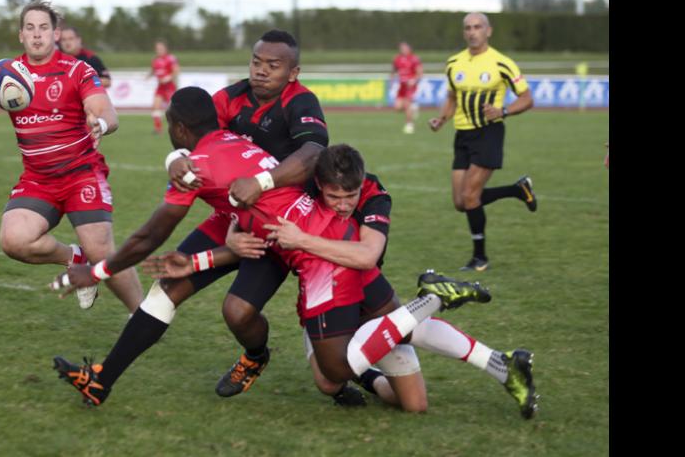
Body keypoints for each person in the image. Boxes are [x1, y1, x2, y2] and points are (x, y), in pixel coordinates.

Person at [48, 87, 493, 411]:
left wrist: (97, 271)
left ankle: (430, 302)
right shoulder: (228, 133)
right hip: (265, 226)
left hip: (307, 247)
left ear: (179, 129)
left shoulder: (210, 159)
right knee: (169, 288)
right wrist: (176, 162)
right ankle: (101, 381)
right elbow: (223, 187)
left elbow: (149, 237)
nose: (261, 72)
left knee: (324, 358)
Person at [227, 145, 538, 418]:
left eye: (351, 195)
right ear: (319, 184)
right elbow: (251, 203)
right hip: (324, 287)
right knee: (329, 380)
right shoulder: (303, 186)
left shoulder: (375, 195)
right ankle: (500, 360)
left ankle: (438, 307)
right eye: (334, 196)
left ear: (362, 183)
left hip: (362, 280)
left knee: (414, 403)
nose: (344, 204)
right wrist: (233, 235)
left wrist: (302, 239)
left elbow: (366, 256)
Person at [163, 29, 331, 397]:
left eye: (274, 65)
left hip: (286, 225)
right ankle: (255, 356)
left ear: (293, 73)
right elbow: (195, 128)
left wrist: (263, 181)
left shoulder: (302, 102)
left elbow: (314, 154)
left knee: (328, 373)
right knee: (190, 293)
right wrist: (175, 156)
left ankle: (360, 368)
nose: (262, 71)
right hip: (235, 217)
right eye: (257, 62)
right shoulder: (233, 96)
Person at [0, 0, 143, 313]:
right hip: (38, 178)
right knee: (14, 240)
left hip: (81, 173)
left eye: (44, 28)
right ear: (20, 35)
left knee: (101, 251)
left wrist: (99, 122)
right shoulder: (5, 73)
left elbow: (106, 111)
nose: (37, 34)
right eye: (30, 28)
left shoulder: (77, 69)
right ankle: (73, 258)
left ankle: (143, 315)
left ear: (55, 34)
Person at [428, 12, 537, 272]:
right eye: (468, 28)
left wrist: (504, 111)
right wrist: (441, 118)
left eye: (477, 27)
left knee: (470, 196)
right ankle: (517, 189)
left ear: (488, 31)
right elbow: (452, 97)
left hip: (489, 133)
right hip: (462, 135)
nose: (472, 32)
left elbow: (527, 98)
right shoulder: (454, 63)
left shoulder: (502, 63)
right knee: (460, 201)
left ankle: (480, 257)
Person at [147, 40, 179, 134]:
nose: (158, 50)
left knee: (173, 109)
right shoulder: (155, 60)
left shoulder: (171, 58)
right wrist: (147, 76)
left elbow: (176, 70)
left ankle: (177, 127)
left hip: (169, 87)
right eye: (157, 49)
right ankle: (158, 129)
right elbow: (153, 71)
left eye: (160, 48)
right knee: (155, 106)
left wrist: (167, 78)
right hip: (160, 87)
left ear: (165, 49)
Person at [390, 42, 423, 134]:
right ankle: (414, 108)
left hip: (410, 86)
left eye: (405, 48)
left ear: (409, 49)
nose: (403, 50)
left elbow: (420, 73)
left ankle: (409, 125)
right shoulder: (397, 59)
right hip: (402, 86)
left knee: (407, 103)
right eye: (401, 48)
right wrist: (392, 82)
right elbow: (393, 71)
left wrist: (414, 80)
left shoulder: (414, 59)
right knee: (397, 108)